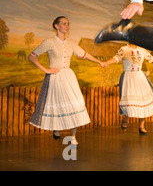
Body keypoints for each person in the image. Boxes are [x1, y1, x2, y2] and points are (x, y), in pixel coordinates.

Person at [28, 16, 105, 145]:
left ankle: (73, 137)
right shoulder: (49, 42)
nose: (66, 26)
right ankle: (57, 129)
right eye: (64, 23)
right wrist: (46, 70)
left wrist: (99, 62)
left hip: (69, 77)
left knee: (75, 103)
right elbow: (32, 57)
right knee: (58, 103)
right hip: (55, 77)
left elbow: (85, 55)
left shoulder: (71, 44)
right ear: (56, 26)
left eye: (68, 24)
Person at [103, 44, 153, 134]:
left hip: (139, 76)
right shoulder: (124, 49)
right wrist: (106, 62)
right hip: (129, 77)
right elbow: (116, 58)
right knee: (129, 101)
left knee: (143, 102)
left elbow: (151, 58)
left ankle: (141, 126)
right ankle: (125, 118)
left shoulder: (142, 50)